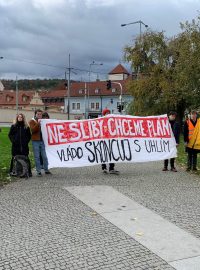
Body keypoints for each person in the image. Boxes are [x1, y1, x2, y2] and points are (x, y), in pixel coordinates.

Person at [29, 109, 51, 177]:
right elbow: (33, 130)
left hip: (43, 141)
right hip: (35, 141)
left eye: (40, 114)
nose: (39, 115)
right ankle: (38, 171)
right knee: (37, 157)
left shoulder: (43, 121)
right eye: (38, 114)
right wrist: (38, 123)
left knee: (44, 156)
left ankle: (46, 169)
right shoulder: (32, 121)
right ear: (35, 114)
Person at [101, 108, 119, 174]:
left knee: (112, 153)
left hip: (111, 140)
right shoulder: (101, 121)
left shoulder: (112, 122)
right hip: (103, 140)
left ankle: (111, 168)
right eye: (106, 113)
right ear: (104, 114)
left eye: (109, 113)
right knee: (104, 153)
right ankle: (104, 168)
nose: (108, 114)